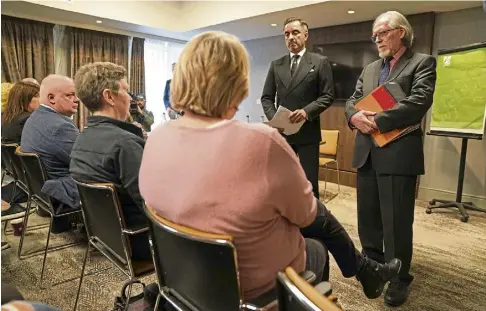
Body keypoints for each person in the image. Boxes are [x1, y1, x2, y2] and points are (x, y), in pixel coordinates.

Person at [139, 31, 401, 302]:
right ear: (239, 83)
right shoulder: (262, 142)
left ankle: (366, 270)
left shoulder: (156, 137)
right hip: (254, 292)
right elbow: (306, 215)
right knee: (316, 239)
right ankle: (362, 271)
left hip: (182, 277)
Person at [344, 11, 437, 307]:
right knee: (368, 219)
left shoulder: (422, 62)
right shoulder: (370, 68)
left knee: (396, 222)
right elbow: (352, 100)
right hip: (367, 153)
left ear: (401, 32)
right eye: (375, 35)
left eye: (382, 32)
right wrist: (354, 116)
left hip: (398, 155)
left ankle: (399, 278)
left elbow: (418, 102)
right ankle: (374, 268)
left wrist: (378, 121)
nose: (377, 39)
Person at [70, 62, 150, 260]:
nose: (131, 98)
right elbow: (151, 204)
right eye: (126, 90)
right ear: (109, 96)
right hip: (138, 241)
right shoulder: (124, 143)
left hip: (105, 237)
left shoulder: (82, 137)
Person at [261, 17, 334, 199]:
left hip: (308, 132)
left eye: (295, 33)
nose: (290, 37)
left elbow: (327, 96)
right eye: (286, 34)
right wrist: (274, 119)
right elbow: (266, 98)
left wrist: (306, 112)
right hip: (282, 133)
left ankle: (311, 224)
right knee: (281, 180)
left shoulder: (319, 62)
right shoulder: (276, 65)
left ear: (305, 35)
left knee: (309, 184)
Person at [20, 74, 81, 232]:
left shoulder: (34, 118)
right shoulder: (60, 127)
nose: (77, 100)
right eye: (70, 95)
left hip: (42, 192)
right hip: (64, 192)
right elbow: (88, 164)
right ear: (51, 98)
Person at [1, 81, 41, 234]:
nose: (42, 99)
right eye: (37, 96)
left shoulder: (7, 119)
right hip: (33, 180)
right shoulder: (27, 120)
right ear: (25, 100)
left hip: (18, 175)